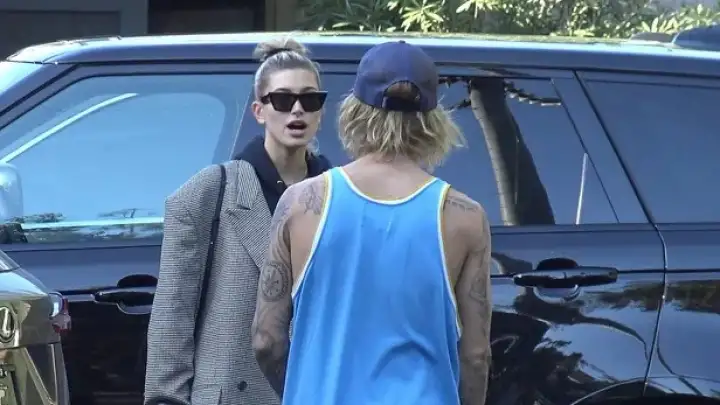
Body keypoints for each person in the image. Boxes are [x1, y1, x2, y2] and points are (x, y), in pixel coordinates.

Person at [251, 40, 493, 405]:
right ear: (434, 119)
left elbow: (266, 341)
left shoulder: (300, 204)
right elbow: (476, 356)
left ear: (354, 111)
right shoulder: (464, 216)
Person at [144, 36, 331, 405]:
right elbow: (172, 317)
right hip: (233, 391)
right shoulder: (212, 190)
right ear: (259, 111)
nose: (297, 110)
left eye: (310, 100)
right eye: (282, 100)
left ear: (321, 112)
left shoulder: (339, 195)